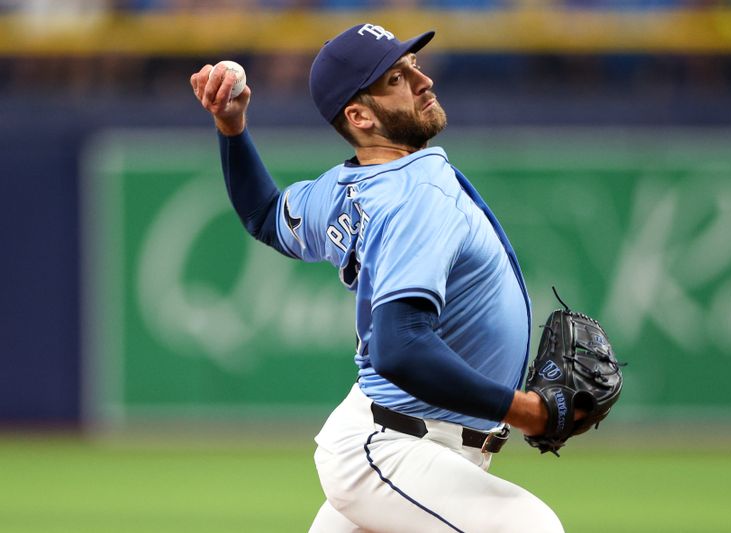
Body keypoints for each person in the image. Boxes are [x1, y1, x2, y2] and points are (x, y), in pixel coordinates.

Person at [190, 23, 566, 533]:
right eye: (396, 78)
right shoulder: (416, 195)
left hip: (398, 442)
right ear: (359, 116)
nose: (422, 80)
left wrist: (232, 130)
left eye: (412, 66)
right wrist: (527, 411)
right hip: (394, 450)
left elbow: (265, 214)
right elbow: (399, 347)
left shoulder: (345, 188)